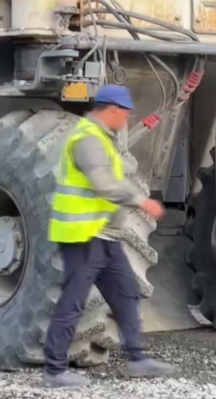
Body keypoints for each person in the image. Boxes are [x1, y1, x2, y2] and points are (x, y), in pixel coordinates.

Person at [43, 85, 177, 388]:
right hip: (83, 234)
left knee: (127, 291)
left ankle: (138, 358)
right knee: (73, 302)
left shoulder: (103, 138)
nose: (127, 119)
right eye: (126, 114)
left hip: (105, 236)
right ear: (112, 110)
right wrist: (141, 200)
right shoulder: (88, 139)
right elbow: (104, 184)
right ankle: (54, 370)